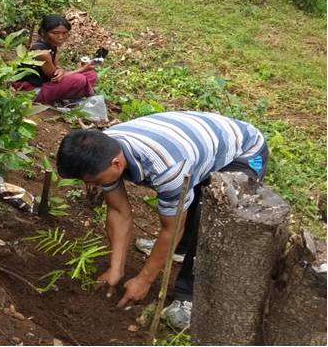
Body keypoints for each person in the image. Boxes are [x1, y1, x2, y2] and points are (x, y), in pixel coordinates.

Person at [56, 111, 269, 329]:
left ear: (117, 164)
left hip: (243, 152)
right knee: (187, 201)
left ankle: (187, 295)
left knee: (209, 220)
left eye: (93, 181)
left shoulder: (167, 168)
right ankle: (178, 250)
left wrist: (144, 280)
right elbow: (119, 211)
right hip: (194, 145)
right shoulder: (103, 153)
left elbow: (172, 228)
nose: (91, 185)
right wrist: (116, 267)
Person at [13, 14, 98, 104]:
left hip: (45, 83)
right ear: (43, 33)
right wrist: (82, 69)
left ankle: (68, 95)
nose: (61, 37)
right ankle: (68, 97)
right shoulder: (42, 53)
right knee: (79, 79)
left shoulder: (52, 45)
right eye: (55, 33)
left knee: (91, 75)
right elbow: (54, 77)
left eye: (64, 33)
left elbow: (57, 65)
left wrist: (60, 69)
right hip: (32, 92)